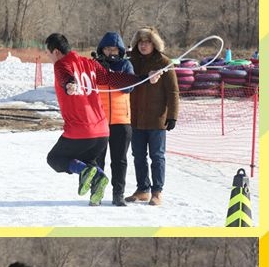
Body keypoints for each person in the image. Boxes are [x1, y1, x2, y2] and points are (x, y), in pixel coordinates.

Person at [44, 33, 153, 207]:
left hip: (81, 130)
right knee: (92, 162)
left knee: (55, 159)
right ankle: (97, 189)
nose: (48, 57)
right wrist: (144, 78)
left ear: (56, 52)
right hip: (102, 130)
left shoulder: (61, 64)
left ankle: (87, 171)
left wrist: (69, 84)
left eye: (47, 53)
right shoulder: (90, 63)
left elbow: (65, 74)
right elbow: (113, 78)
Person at [126, 27, 179, 206]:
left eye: (147, 42)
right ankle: (142, 189)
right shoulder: (130, 61)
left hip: (157, 119)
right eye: (140, 42)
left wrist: (172, 115)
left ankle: (157, 191)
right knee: (138, 155)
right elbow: (125, 81)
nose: (143, 45)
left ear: (154, 43)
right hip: (135, 118)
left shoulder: (164, 62)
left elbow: (173, 91)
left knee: (157, 156)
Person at [93, 32, 135, 206]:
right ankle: (96, 192)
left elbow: (130, 87)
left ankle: (118, 193)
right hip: (99, 121)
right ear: (102, 49)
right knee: (97, 159)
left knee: (119, 160)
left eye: (115, 48)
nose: (111, 51)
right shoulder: (95, 65)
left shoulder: (126, 65)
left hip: (121, 120)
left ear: (121, 50)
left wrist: (111, 75)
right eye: (108, 48)